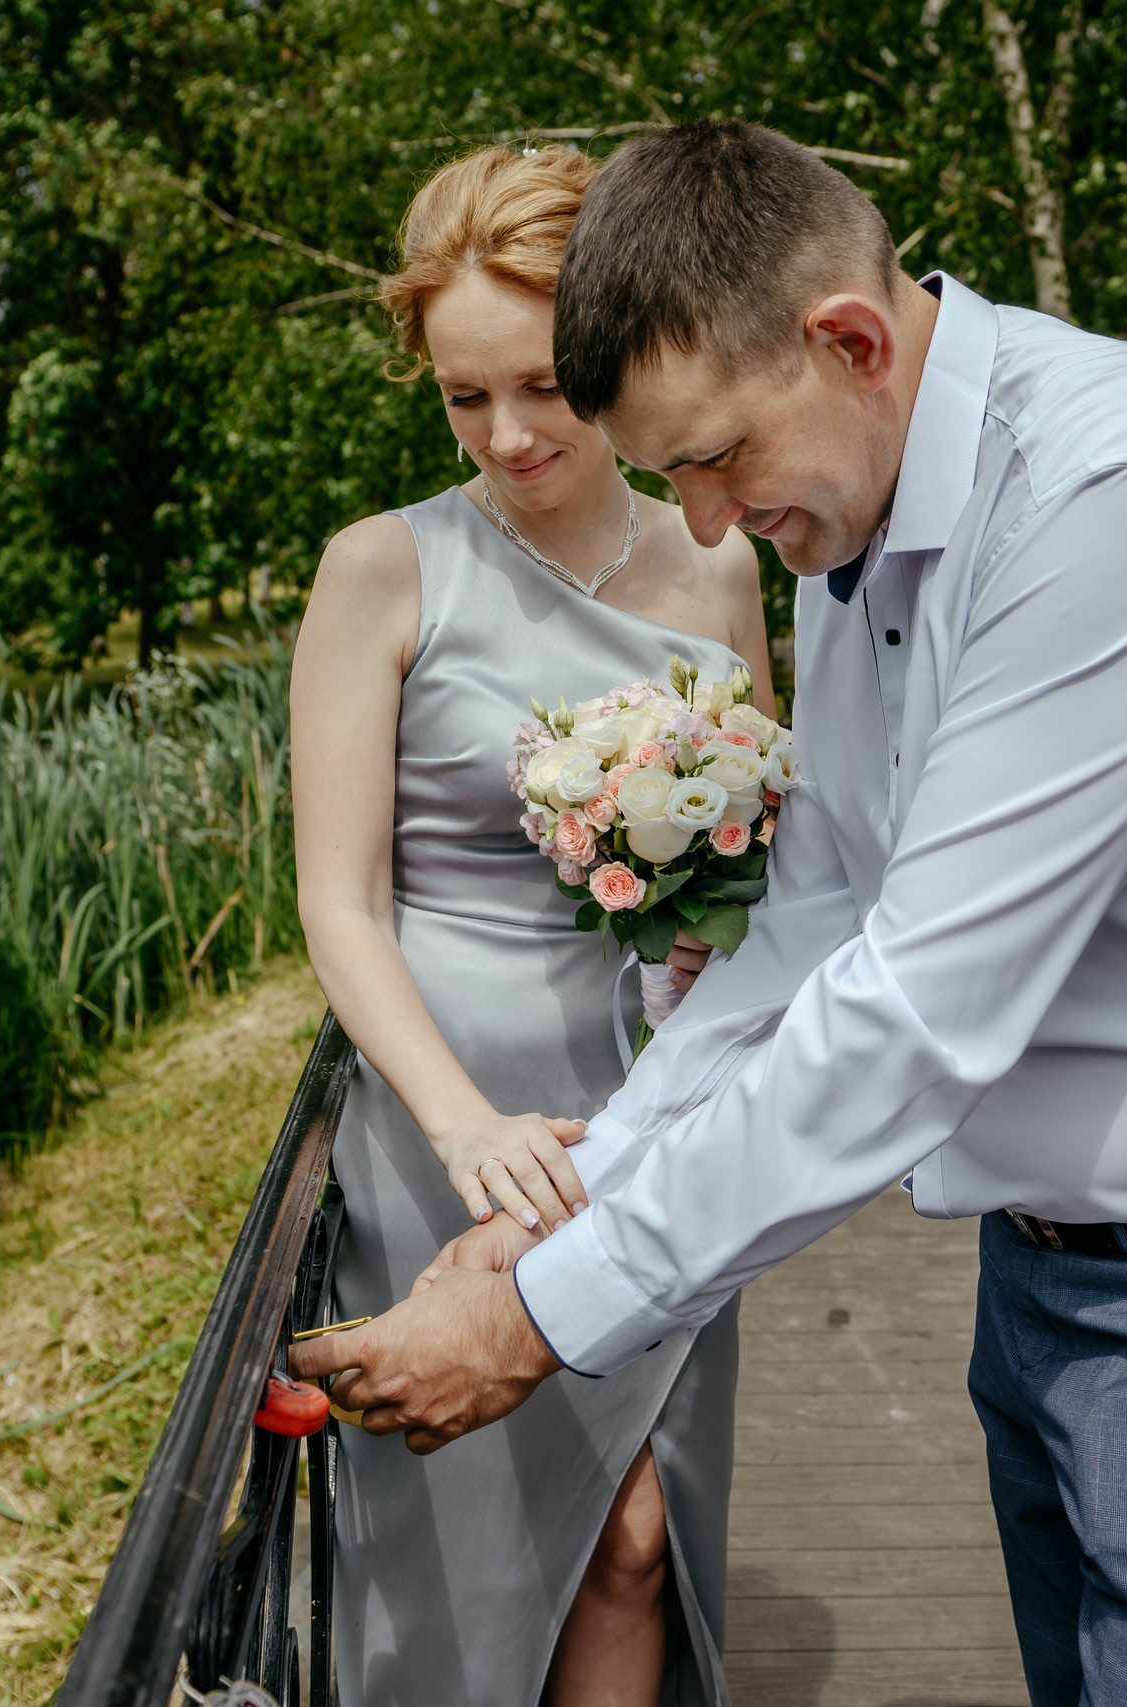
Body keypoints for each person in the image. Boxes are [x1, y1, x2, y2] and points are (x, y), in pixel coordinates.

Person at [296, 121, 1127, 1706]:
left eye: (713, 460)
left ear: (846, 340)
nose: (707, 526)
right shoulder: (860, 513)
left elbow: (919, 1006)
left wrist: (535, 1319)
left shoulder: (1105, 502)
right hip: (1060, 1267)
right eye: (671, 477)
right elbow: (815, 924)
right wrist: (571, 1203)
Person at [287, 143, 773, 1707]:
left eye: (542, 387)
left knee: (636, 1538)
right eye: (460, 398)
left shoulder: (718, 562)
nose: (507, 436)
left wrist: (716, 940)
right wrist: (460, 1123)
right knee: (493, 1558)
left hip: (654, 1103)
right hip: (454, 1117)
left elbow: (751, 855)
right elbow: (337, 900)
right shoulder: (381, 571)